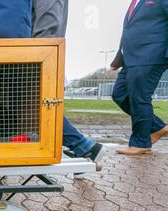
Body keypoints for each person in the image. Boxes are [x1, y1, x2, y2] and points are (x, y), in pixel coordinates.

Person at [32, 0, 106, 165]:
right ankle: (82, 147)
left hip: (37, 60)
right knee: (35, 110)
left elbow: (48, 26)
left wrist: (36, 56)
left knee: (38, 109)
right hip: (36, 57)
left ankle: (84, 146)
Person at [110, 0, 168, 155]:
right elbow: (128, 31)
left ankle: (140, 142)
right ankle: (157, 127)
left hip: (151, 54)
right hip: (131, 58)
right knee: (119, 94)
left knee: (139, 97)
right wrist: (118, 59)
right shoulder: (136, 3)